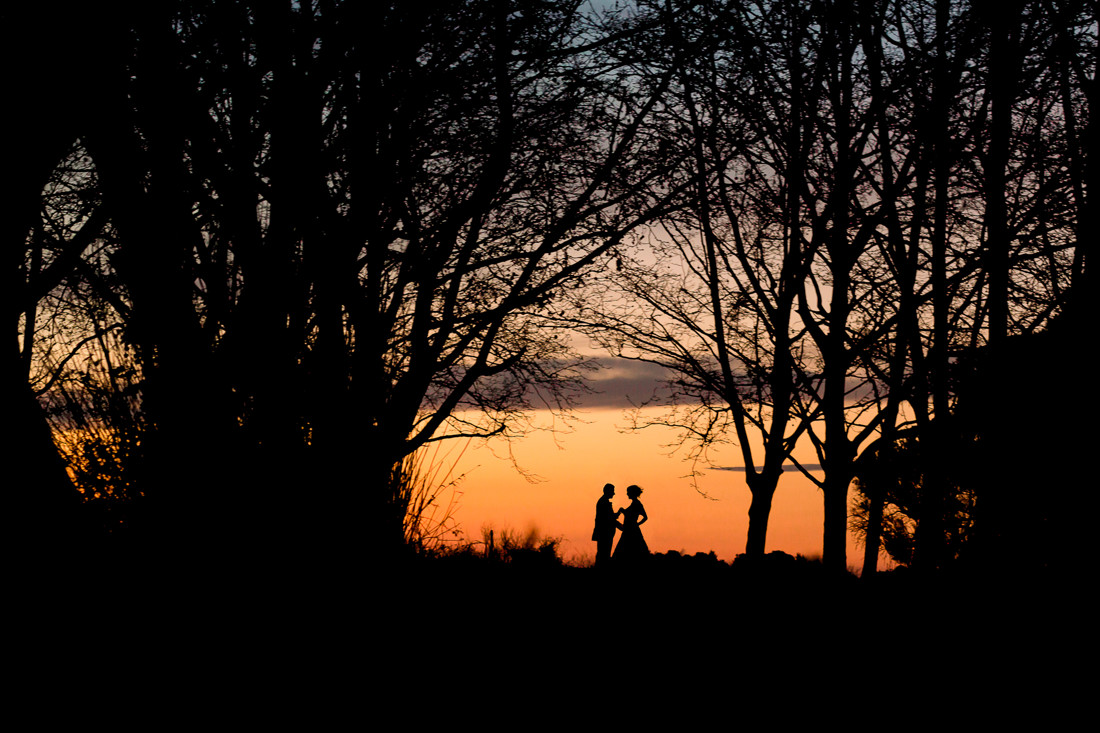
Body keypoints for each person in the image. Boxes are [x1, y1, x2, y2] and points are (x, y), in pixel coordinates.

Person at [613, 485, 649, 563]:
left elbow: (645, 517)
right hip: (628, 530)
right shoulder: (634, 504)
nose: (627, 494)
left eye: (628, 492)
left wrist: (637, 524)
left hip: (631, 531)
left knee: (624, 552)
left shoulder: (637, 504)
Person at [592, 483, 622, 568]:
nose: (614, 493)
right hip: (605, 532)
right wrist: (619, 512)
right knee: (604, 553)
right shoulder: (604, 502)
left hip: (604, 532)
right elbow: (609, 518)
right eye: (612, 491)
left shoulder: (603, 501)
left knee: (603, 553)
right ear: (608, 491)